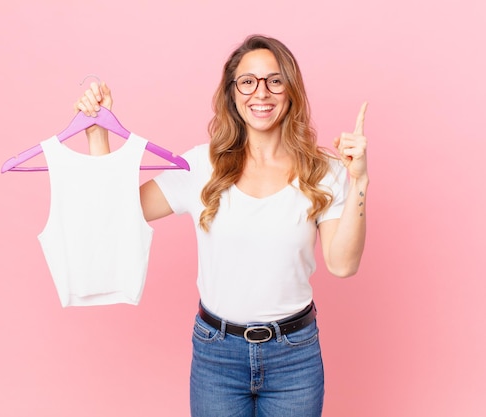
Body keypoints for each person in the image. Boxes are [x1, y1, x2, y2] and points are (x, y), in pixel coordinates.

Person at [74, 34, 368, 417]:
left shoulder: (324, 171)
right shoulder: (201, 167)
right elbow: (116, 212)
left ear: (290, 91)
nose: (260, 93)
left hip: (294, 356)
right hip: (218, 355)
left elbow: (343, 265)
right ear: (233, 93)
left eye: (274, 80)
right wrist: (99, 135)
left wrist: (358, 182)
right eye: (247, 81)